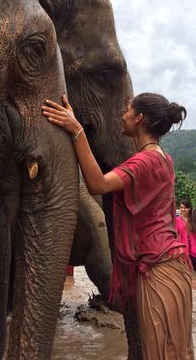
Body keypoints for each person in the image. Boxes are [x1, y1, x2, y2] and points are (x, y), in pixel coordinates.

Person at [42, 92, 193, 359]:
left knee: (160, 353)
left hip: (157, 273)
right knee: (174, 351)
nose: (122, 115)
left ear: (138, 118)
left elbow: (97, 184)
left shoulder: (144, 161)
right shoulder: (164, 159)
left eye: (126, 110)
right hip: (172, 269)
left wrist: (77, 130)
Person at [180, 199, 196, 269]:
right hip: (183, 251)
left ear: (189, 208)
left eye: (185, 207)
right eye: (181, 207)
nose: (183, 209)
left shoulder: (194, 219)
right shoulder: (177, 220)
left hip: (194, 251)